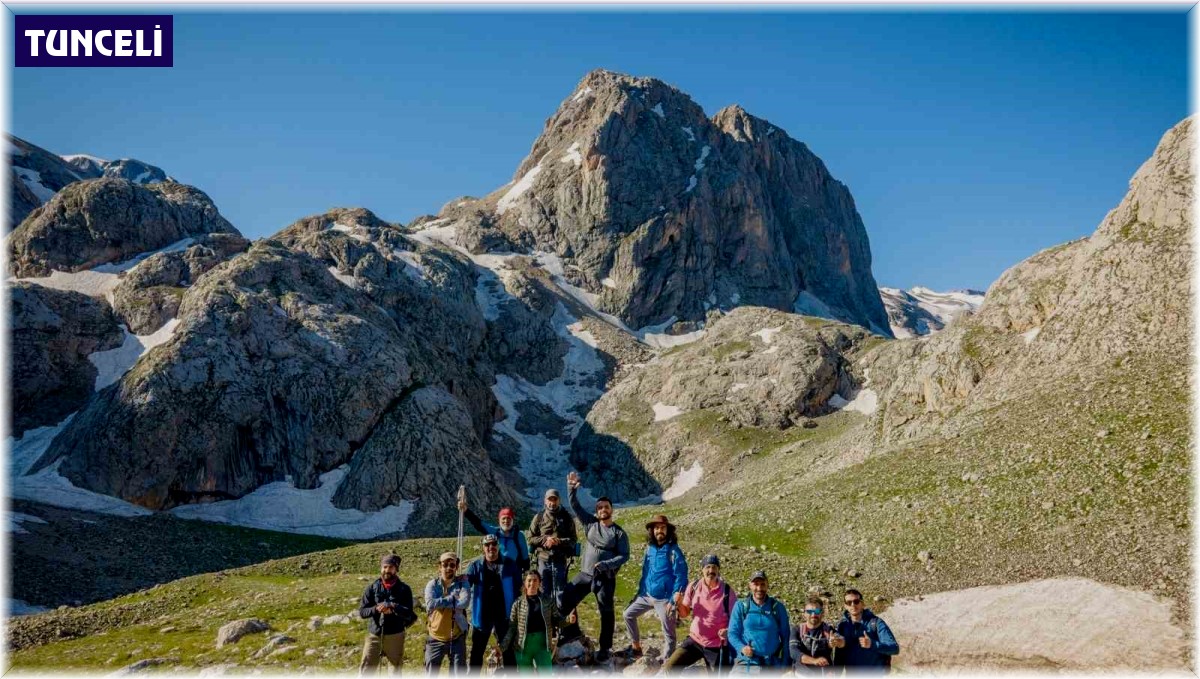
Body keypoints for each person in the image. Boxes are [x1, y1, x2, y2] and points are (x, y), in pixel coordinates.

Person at [560, 471, 630, 663]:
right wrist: (571, 487)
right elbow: (575, 506)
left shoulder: (619, 533)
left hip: (605, 578)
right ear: (597, 511)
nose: (602, 510)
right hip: (585, 574)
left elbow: (624, 555)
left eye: (605, 507)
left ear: (611, 510)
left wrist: (606, 564)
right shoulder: (590, 524)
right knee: (565, 599)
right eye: (599, 508)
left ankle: (605, 648)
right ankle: (571, 632)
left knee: (606, 612)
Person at [622, 514, 688, 659]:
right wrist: (640, 593)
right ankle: (636, 647)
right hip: (647, 595)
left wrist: (674, 599)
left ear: (668, 531)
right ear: (652, 531)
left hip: (665, 599)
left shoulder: (673, 550)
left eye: (662, 528)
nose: (659, 531)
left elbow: (681, 575)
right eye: (656, 528)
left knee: (669, 633)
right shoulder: (649, 549)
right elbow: (645, 572)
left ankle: (667, 662)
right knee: (627, 615)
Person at [664, 554, 737, 674]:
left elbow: (737, 619)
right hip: (695, 640)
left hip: (716, 644)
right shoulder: (694, 586)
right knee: (669, 668)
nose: (711, 571)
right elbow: (684, 614)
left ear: (718, 570)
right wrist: (680, 602)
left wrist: (728, 630)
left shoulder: (727, 591)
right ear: (702, 569)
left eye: (714, 567)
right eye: (707, 567)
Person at [463, 535, 521, 674]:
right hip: (482, 617)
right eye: (487, 545)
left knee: (508, 652)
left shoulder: (510, 564)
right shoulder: (475, 566)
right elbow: (465, 585)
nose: (491, 547)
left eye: (494, 544)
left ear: (498, 545)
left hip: (505, 616)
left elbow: (519, 587)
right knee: (477, 652)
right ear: (483, 547)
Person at [358, 553, 418, 674]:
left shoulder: (404, 589)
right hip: (374, 635)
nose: (387, 570)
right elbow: (362, 612)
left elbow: (409, 614)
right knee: (366, 669)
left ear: (396, 569)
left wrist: (394, 607)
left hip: (396, 635)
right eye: (385, 567)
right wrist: (376, 609)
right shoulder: (372, 588)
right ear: (381, 568)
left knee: (395, 670)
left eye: (391, 567)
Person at [502, 571, 564, 674]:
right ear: (525, 583)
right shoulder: (518, 603)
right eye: (529, 580)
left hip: (542, 644)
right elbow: (512, 628)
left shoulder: (547, 601)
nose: (532, 583)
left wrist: (567, 620)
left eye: (535, 580)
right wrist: (502, 647)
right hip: (523, 646)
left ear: (540, 582)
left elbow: (557, 620)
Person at [727, 571, 790, 671]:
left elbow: (786, 636)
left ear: (767, 585)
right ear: (750, 586)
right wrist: (742, 648)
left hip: (773, 663)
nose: (759, 588)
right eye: (756, 584)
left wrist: (786, 664)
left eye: (762, 584)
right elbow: (732, 633)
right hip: (747, 662)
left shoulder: (778, 607)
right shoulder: (740, 606)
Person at [527, 487, 576, 604]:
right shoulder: (538, 517)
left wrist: (558, 541)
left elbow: (573, 539)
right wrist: (545, 539)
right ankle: (545, 619)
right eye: (550, 499)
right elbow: (530, 538)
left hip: (560, 560)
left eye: (555, 499)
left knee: (560, 591)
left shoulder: (567, 517)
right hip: (543, 560)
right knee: (543, 591)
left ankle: (560, 618)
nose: (552, 502)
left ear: (559, 501)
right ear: (545, 501)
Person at [424, 552, 471, 675]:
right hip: (435, 637)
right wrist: (451, 599)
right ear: (439, 566)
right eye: (445, 564)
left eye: (452, 565)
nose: (448, 568)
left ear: (456, 567)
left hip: (456, 637)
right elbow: (430, 604)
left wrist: (440, 603)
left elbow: (464, 603)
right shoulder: (432, 584)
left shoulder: (463, 583)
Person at [459, 495, 530, 574]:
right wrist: (466, 511)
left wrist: (526, 572)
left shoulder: (519, 535)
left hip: (514, 572)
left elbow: (525, 556)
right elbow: (479, 524)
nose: (506, 521)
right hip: (496, 571)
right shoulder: (495, 532)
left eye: (509, 518)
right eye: (503, 518)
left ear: (513, 521)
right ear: (499, 520)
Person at [834, 589, 899, 673]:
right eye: (849, 602)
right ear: (845, 606)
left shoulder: (876, 623)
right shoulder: (843, 626)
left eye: (856, 601)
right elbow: (840, 655)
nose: (853, 605)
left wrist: (872, 644)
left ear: (862, 603)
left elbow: (894, 648)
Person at [790, 595, 844, 673]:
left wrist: (838, 641)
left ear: (822, 613)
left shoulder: (829, 630)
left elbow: (842, 640)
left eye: (817, 611)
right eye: (809, 611)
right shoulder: (797, 630)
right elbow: (794, 652)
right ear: (804, 613)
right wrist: (814, 661)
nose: (813, 615)